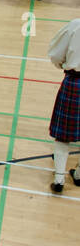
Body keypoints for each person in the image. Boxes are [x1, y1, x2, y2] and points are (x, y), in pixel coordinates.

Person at [47, 18, 80, 192]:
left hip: (75, 82)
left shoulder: (76, 25)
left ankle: (59, 180)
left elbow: (55, 54)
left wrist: (64, 65)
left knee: (63, 134)